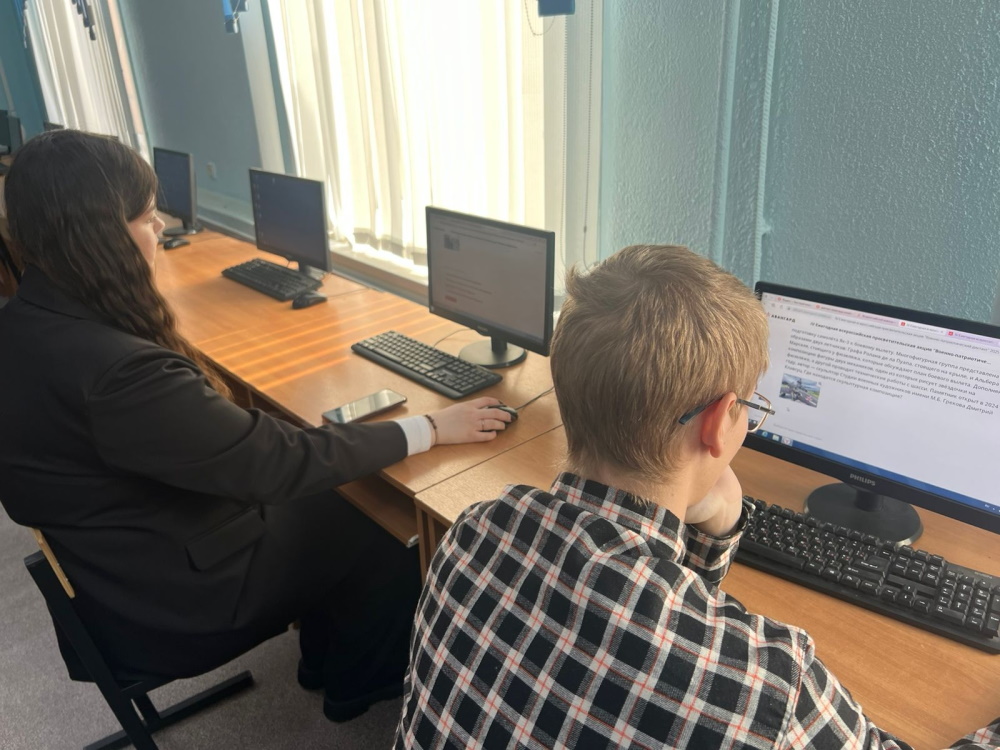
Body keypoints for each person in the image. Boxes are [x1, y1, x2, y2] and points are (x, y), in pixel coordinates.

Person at [394, 245, 1000, 748]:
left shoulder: (475, 532)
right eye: (749, 408)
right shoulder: (771, 690)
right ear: (717, 423)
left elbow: (650, 612)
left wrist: (711, 526)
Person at [0, 130, 513, 723]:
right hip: (177, 600)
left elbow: (208, 440)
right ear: (96, 238)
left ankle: (322, 662)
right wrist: (428, 428)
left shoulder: (23, 324)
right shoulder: (116, 372)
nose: (160, 226)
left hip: (120, 564)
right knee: (375, 520)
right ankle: (355, 686)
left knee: (332, 498)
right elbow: (277, 463)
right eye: (145, 217)